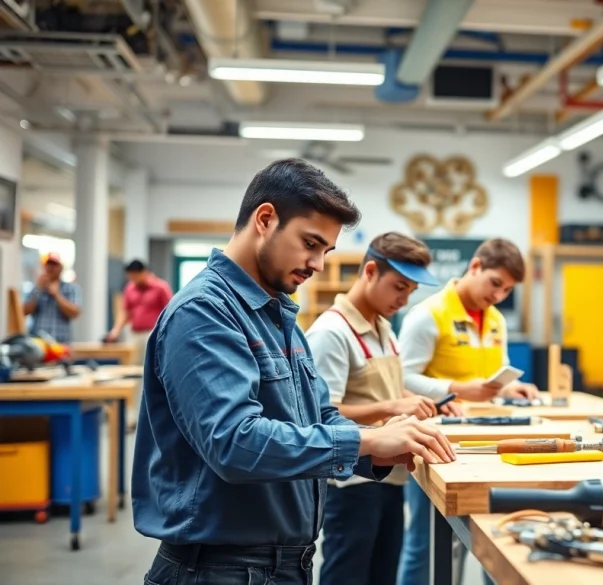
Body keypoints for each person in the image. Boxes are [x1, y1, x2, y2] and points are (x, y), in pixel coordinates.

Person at [132, 158, 456, 585]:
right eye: (310, 243)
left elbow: (319, 415)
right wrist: (365, 437)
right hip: (218, 570)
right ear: (265, 219)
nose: (319, 263)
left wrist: (376, 450)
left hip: (282, 565)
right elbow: (233, 441)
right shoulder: (204, 312)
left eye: (326, 250)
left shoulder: (277, 314)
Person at [306, 231, 463, 585]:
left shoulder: (384, 329)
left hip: (388, 474)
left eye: (410, 291)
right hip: (350, 480)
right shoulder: (332, 332)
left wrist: (426, 402)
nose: (404, 300)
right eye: (399, 287)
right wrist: (393, 404)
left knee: (382, 573)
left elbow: (386, 384)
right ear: (371, 271)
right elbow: (320, 415)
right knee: (348, 573)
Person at [396, 237, 539, 585]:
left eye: (506, 290)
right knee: (424, 543)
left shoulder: (495, 321)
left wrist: (508, 387)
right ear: (475, 267)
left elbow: (495, 373)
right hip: (435, 441)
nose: (499, 296)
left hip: (488, 441)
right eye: (495, 284)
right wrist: (456, 389)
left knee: (495, 537)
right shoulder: (427, 314)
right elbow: (402, 378)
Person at [105, 259, 173, 362]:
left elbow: (169, 311)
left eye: (135, 276)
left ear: (144, 272)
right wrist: (116, 330)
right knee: (132, 363)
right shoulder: (130, 288)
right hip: (134, 333)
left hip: (152, 332)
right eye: (130, 277)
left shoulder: (161, 287)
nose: (133, 279)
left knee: (151, 363)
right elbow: (125, 312)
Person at [23, 252, 81, 344]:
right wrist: (38, 290)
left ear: (60, 268)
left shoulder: (70, 289)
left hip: (61, 342)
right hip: (39, 343)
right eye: (49, 264)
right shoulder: (36, 288)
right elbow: (24, 311)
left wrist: (57, 295)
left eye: (54, 265)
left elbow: (75, 313)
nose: (51, 268)